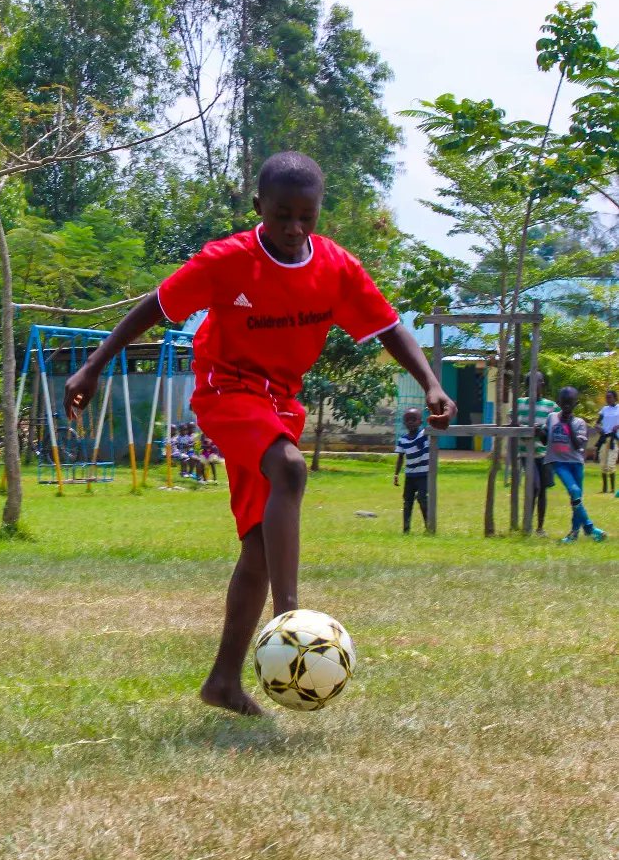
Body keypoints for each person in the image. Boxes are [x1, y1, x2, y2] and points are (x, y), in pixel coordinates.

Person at [63, 151, 455, 715]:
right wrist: (93, 365)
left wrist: (432, 383)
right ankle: (290, 621)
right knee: (290, 467)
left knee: (260, 547)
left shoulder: (337, 267)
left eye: (306, 216)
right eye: (281, 215)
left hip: (280, 403)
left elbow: (389, 326)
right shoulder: (227, 261)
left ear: (320, 212)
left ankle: (222, 682)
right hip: (224, 388)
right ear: (258, 210)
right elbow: (156, 306)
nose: (294, 229)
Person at [540, 386, 606, 545]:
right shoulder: (551, 417)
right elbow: (544, 440)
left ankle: (574, 534)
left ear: (575, 404)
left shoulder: (579, 423)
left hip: (576, 463)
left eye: (570, 403)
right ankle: (590, 528)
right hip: (559, 463)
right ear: (559, 403)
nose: (566, 406)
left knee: (576, 499)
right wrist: (540, 432)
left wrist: (568, 425)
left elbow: (578, 446)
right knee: (574, 490)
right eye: (564, 403)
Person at [516, 373, 559, 536]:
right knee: (534, 487)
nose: (534, 387)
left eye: (538, 383)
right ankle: (527, 524)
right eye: (530, 384)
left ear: (542, 384)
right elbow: (513, 421)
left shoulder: (551, 406)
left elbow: (557, 425)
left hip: (544, 454)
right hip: (527, 453)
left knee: (542, 491)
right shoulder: (520, 403)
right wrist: (523, 426)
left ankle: (540, 527)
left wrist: (543, 430)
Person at [393, 408, 429, 533]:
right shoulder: (402, 440)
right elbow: (400, 458)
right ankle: (406, 529)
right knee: (407, 502)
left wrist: (433, 411)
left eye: (414, 419)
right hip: (410, 476)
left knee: (422, 499)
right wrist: (396, 474)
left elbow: (435, 424)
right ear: (404, 423)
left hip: (423, 474)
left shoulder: (425, 435)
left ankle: (429, 526)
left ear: (420, 421)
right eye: (408, 420)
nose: (411, 422)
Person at [594, 389, 618, 495]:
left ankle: (612, 489)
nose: (607, 399)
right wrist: (599, 429)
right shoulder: (604, 409)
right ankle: (604, 489)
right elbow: (597, 423)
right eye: (606, 397)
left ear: (615, 398)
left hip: (614, 439)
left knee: (611, 464)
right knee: (603, 464)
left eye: (609, 397)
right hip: (604, 439)